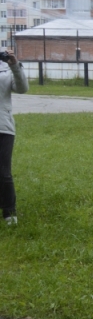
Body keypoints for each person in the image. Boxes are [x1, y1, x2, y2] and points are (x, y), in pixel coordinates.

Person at [0, 49, 29, 225]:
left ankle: (9, 212)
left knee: (3, 173)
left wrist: (14, 66)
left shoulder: (5, 68)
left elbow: (22, 88)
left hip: (3, 127)